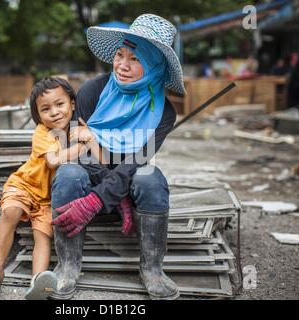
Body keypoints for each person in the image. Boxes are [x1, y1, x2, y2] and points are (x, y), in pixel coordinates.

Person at [51, 13, 186, 300]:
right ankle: (67, 266)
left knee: (151, 178)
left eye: (135, 59)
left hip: (126, 178)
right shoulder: (92, 91)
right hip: (90, 173)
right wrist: (115, 195)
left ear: (155, 65)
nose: (122, 66)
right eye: (119, 55)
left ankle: (152, 269)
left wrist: (100, 198)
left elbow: (137, 161)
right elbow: (78, 151)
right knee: (68, 172)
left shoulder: (163, 112)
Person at [0, 77, 99, 299]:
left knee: (42, 235)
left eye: (59, 104)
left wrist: (91, 138)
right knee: (11, 212)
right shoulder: (43, 131)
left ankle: (38, 282)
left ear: (72, 103)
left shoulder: (81, 128)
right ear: (38, 115)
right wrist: (83, 144)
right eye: (45, 109)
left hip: (49, 198)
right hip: (25, 185)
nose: (54, 112)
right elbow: (53, 160)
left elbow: (101, 159)